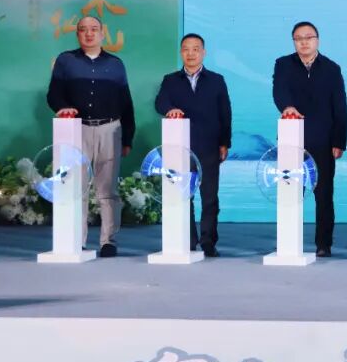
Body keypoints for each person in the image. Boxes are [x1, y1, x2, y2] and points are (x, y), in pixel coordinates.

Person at [46, 15, 135, 257]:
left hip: (111, 130)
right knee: (77, 187)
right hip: (77, 130)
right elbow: (53, 94)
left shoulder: (116, 64)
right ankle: (78, 240)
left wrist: (128, 138)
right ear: (77, 34)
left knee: (108, 190)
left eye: (94, 29)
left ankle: (109, 241)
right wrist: (62, 107)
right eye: (83, 29)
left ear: (102, 33)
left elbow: (126, 103)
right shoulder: (66, 61)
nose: (89, 33)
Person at [272, 21, 347, 257]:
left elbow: (340, 107)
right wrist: (287, 107)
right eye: (298, 38)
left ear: (317, 40)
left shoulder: (331, 68)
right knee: (289, 191)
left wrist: (339, 141)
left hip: (323, 141)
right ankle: (287, 241)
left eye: (308, 37)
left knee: (323, 195)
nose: (303, 42)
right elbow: (279, 91)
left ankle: (323, 243)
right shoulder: (283, 64)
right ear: (293, 42)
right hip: (291, 138)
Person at [154, 33, 232, 258]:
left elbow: (225, 113)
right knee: (183, 195)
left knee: (210, 197)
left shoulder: (216, 80)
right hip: (180, 148)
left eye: (195, 49)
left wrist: (224, 142)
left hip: (209, 145)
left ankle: (208, 241)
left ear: (203, 53)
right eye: (186, 49)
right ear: (181, 52)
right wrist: (170, 109)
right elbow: (160, 102)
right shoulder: (170, 80)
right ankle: (188, 239)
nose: (191, 53)